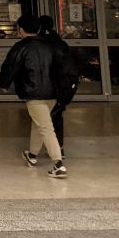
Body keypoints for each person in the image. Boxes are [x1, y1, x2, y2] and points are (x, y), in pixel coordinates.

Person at [0, 14, 67, 178]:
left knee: (45, 127)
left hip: (34, 93)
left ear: (20, 29)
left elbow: (10, 66)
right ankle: (32, 155)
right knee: (40, 123)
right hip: (52, 93)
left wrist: (4, 85)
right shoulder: (49, 46)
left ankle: (58, 164)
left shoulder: (21, 47)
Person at [38, 14, 78, 157]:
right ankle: (58, 147)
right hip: (61, 86)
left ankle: (41, 150)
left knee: (41, 119)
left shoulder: (38, 44)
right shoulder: (61, 43)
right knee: (57, 116)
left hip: (44, 86)